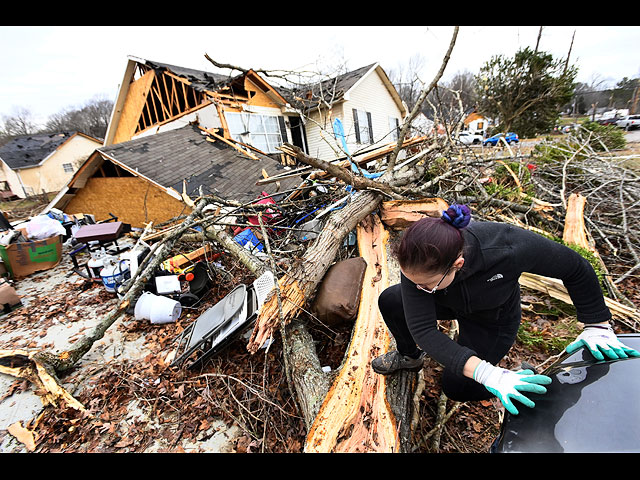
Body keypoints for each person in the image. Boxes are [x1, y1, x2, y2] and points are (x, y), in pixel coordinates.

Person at [371, 204, 640, 415]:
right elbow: (425, 330)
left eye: (426, 285)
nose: (418, 289)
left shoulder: (508, 247)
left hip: (492, 318)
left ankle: (526, 381)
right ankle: (409, 357)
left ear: (458, 263)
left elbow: (576, 268)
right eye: (413, 282)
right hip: (449, 300)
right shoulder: (416, 259)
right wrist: (486, 371)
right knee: (390, 300)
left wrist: (597, 324)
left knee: (456, 386)